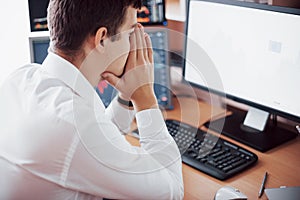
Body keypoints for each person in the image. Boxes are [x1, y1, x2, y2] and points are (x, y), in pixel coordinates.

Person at [0, 0, 183, 199]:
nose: (134, 44)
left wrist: (127, 97)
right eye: (131, 33)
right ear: (102, 38)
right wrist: (146, 98)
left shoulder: (23, 78)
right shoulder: (76, 127)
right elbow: (171, 189)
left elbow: (98, 141)